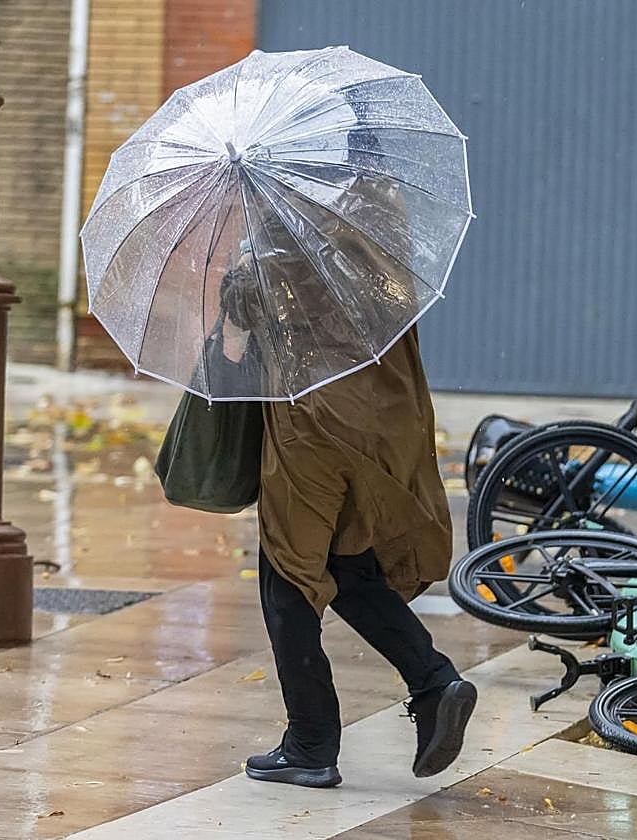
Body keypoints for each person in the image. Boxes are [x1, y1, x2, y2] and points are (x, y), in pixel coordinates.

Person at [219, 165, 475, 789]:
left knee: (288, 575)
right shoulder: (376, 204)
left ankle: (311, 744)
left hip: (313, 415)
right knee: (349, 564)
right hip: (378, 411)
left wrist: (241, 263)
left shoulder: (290, 210)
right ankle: (434, 680)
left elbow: (253, 302)